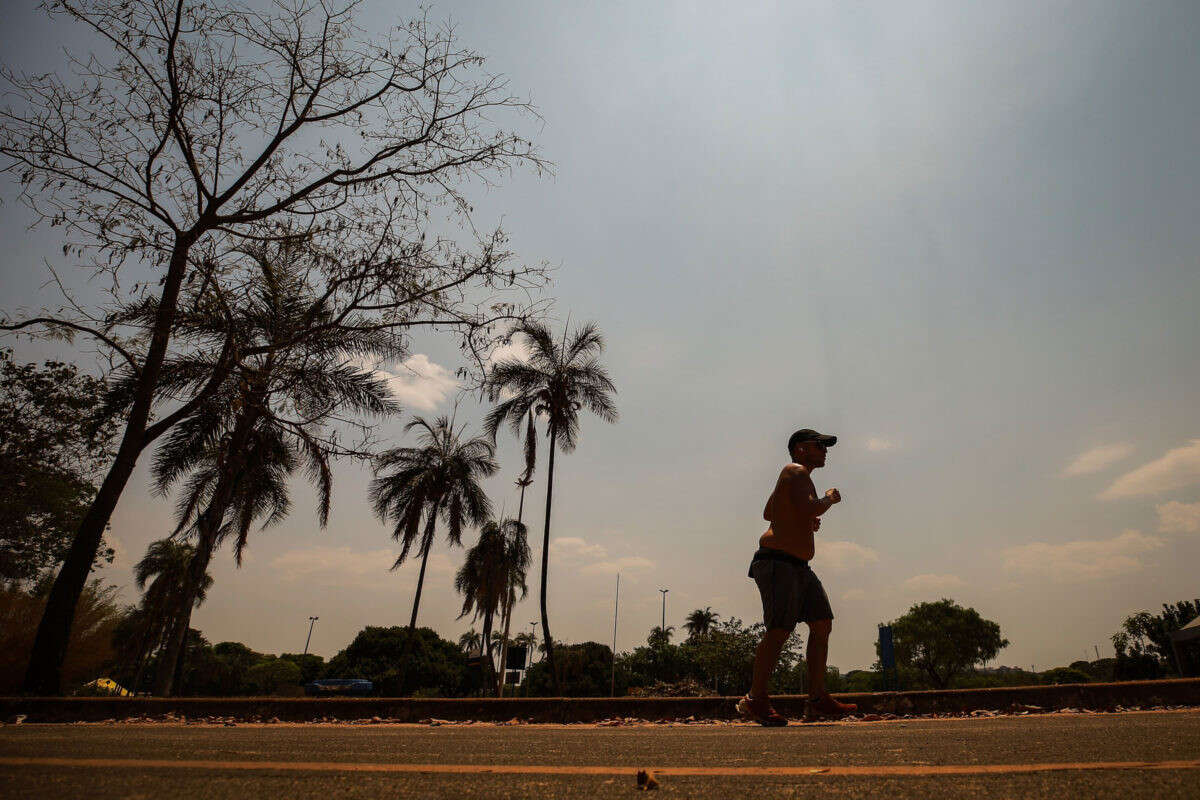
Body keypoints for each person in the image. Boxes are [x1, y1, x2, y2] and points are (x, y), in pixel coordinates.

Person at [737, 428, 858, 726]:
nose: (825, 450)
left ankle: (817, 700)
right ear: (801, 449)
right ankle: (755, 699)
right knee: (779, 629)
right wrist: (827, 499)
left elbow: (770, 512)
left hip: (798, 565)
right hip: (778, 563)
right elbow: (807, 506)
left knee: (821, 624)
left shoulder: (795, 476)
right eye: (820, 445)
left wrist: (801, 517)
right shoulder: (796, 470)